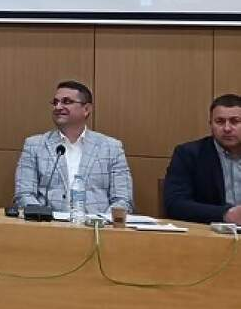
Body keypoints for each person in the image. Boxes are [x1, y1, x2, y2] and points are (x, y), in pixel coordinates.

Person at [13, 80, 134, 213]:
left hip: (96, 224)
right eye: (55, 102)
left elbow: (123, 200)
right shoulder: (34, 146)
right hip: (47, 223)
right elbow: (24, 195)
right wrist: (43, 217)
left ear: (86, 109)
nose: (58, 107)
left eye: (66, 101)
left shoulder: (111, 148)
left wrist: (101, 222)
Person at [163, 93, 241, 225]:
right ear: (210, 124)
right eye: (220, 121)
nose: (227, 128)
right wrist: (225, 214)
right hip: (208, 231)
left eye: (235, 121)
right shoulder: (188, 154)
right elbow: (175, 204)